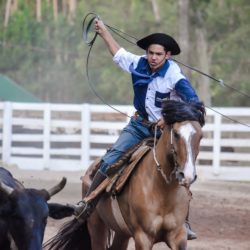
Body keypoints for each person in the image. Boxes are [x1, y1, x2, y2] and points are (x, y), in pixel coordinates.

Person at [79, 18, 199, 240]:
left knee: (181, 168)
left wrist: (167, 116)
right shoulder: (138, 64)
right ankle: (89, 202)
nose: (153, 57)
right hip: (138, 127)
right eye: (150, 53)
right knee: (110, 159)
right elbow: (118, 54)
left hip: (163, 132)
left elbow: (193, 101)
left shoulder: (174, 75)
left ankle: (184, 221)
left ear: (168, 55)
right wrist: (104, 32)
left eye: (158, 54)